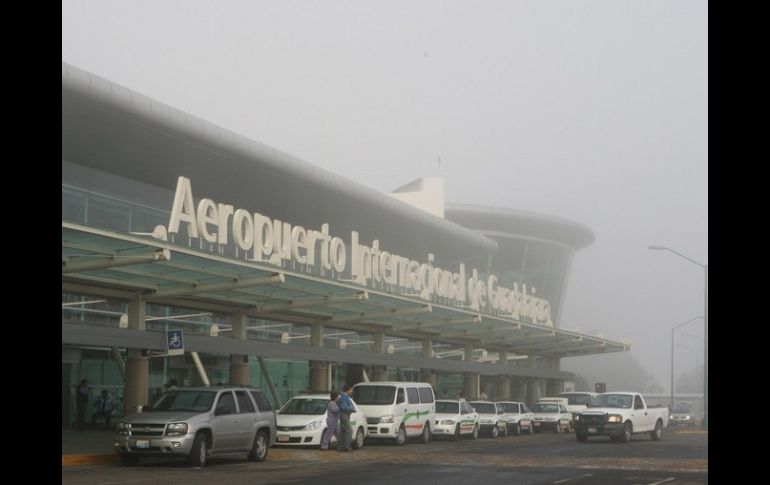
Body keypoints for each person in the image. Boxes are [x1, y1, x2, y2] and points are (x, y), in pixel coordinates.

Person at [336, 385, 355, 451]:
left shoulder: (343, 396)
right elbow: (344, 407)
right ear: (348, 390)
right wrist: (351, 408)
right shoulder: (344, 397)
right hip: (344, 415)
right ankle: (347, 446)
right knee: (349, 430)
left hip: (344, 415)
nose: (352, 391)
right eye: (351, 390)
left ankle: (341, 447)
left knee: (343, 431)